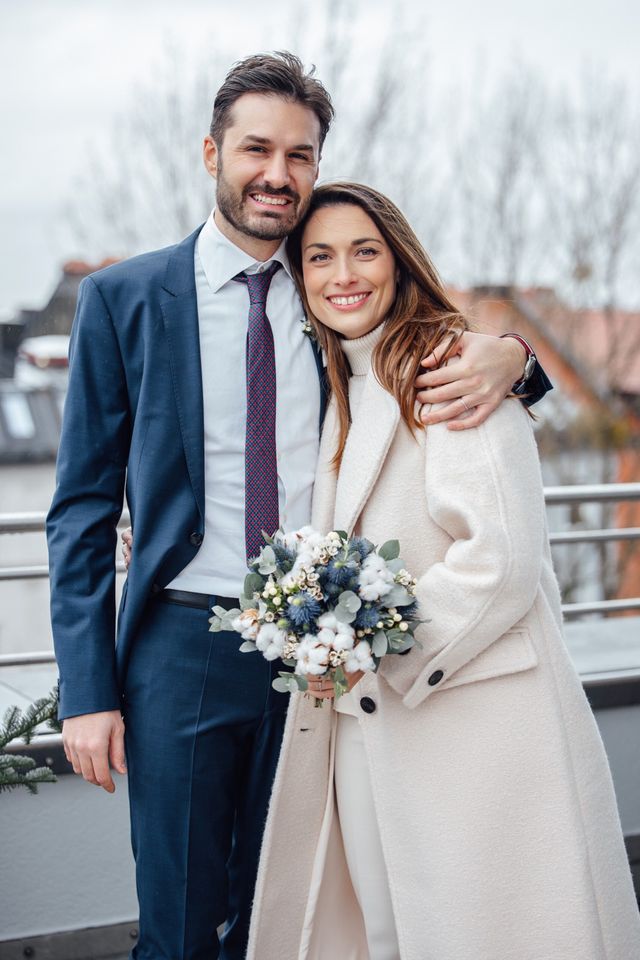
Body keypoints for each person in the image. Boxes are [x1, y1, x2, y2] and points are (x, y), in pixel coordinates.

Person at [47, 54, 551, 960]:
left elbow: (430, 341)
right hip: (179, 647)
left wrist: (517, 356)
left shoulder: (334, 293)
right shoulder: (122, 301)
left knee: (300, 915)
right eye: (257, 149)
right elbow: (81, 508)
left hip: (327, 656)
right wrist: (86, 692)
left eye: (301, 154)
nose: (278, 174)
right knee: (180, 922)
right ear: (212, 153)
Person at [244, 183, 640, 960]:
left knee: (480, 931)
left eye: (365, 250)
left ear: (398, 259)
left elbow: (501, 562)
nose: (342, 274)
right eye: (319, 256)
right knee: (387, 928)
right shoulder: (339, 387)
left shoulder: (451, 370)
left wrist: (365, 642)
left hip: (472, 719)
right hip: (367, 719)